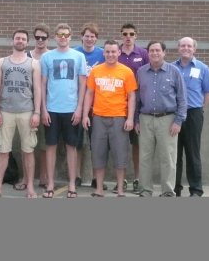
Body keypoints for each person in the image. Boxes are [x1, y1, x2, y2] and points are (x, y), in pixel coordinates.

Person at [0, 30, 42, 199]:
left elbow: (38, 89)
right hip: (5, 111)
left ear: (27, 42)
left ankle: (30, 188)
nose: (20, 41)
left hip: (27, 111)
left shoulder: (33, 63)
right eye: (17, 38)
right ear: (12, 40)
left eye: (23, 39)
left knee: (28, 150)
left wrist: (37, 112)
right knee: (3, 151)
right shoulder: (1, 62)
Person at [82, 40, 137, 197]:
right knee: (98, 155)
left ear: (119, 53)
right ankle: (99, 189)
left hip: (119, 118)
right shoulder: (96, 71)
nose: (111, 54)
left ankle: (120, 189)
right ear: (103, 53)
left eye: (114, 51)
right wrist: (86, 115)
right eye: (108, 51)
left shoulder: (126, 72)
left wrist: (130, 118)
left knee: (120, 155)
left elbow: (132, 96)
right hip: (98, 118)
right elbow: (89, 93)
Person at [40, 23, 87, 198]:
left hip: (71, 110)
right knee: (50, 146)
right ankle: (50, 184)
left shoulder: (79, 56)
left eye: (66, 34)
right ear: (55, 36)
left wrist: (79, 109)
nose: (63, 37)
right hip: (51, 109)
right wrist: (43, 109)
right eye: (60, 34)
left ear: (70, 36)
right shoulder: (47, 57)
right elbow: (43, 84)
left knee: (71, 147)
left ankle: (72, 184)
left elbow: (83, 84)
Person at [134, 41, 187, 197]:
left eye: (158, 50)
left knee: (168, 158)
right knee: (145, 157)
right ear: (147, 53)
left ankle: (168, 191)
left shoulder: (174, 72)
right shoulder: (141, 72)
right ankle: (145, 190)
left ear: (164, 52)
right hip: (145, 119)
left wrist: (178, 121)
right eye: (151, 50)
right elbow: (137, 98)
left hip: (168, 120)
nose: (154, 53)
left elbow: (182, 99)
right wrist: (136, 119)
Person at [173, 37, 209, 197]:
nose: (186, 48)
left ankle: (196, 189)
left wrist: (200, 109)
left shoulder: (202, 68)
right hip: (174, 115)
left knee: (192, 152)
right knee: (174, 154)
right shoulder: (171, 67)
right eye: (182, 45)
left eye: (189, 46)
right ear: (178, 48)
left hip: (193, 114)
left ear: (194, 49)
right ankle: (174, 188)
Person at [14, 23, 51, 191]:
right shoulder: (26, 56)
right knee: (25, 145)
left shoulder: (52, 56)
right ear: (33, 39)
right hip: (27, 105)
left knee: (44, 144)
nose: (40, 40)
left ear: (48, 39)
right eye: (37, 37)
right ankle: (25, 178)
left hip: (47, 105)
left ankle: (44, 177)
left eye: (43, 38)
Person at [117, 23, 149, 193]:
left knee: (137, 145)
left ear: (136, 35)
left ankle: (137, 178)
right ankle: (121, 181)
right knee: (120, 145)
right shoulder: (116, 52)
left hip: (138, 107)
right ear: (121, 35)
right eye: (125, 34)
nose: (128, 36)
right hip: (118, 106)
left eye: (131, 34)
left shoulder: (143, 54)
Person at [74, 22, 105, 190]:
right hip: (77, 103)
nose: (89, 39)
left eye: (92, 36)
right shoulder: (75, 53)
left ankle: (95, 178)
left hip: (97, 105)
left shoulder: (102, 54)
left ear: (96, 38)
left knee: (97, 145)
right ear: (82, 37)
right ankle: (77, 176)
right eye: (87, 36)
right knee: (77, 143)